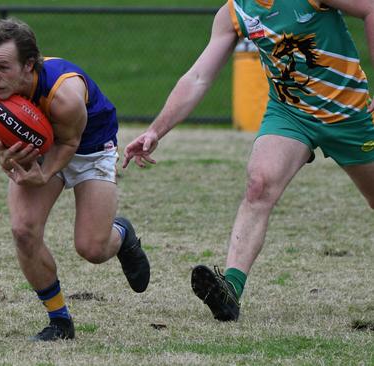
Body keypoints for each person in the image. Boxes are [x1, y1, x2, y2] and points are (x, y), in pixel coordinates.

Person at [123, 0, 374, 322]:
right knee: (259, 185)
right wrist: (156, 131)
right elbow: (199, 76)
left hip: (350, 115)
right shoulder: (234, 12)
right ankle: (230, 290)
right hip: (291, 113)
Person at [0, 17, 151, 341]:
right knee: (23, 230)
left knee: (92, 249)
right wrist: (6, 157)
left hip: (90, 145)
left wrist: (46, 173)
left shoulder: (64, 94)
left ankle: (122, 235)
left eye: (2, 68)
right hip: (42, 144)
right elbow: (5, 140)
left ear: (28, 65)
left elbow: (69, 143)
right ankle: (59, 321)